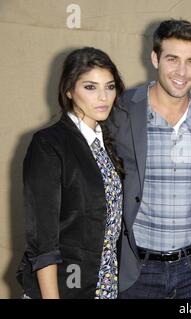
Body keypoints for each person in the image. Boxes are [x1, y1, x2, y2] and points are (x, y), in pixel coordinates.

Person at [109, 19, 191, 299]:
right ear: (155, 58)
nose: (182, 72)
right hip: (138, 269)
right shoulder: (122, 110)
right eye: (172, 59)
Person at [16, 47, 125, 298]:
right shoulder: (48, 144)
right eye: (90, 87)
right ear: (68, 91)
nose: (103, 97)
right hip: (64, 287)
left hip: (104, 284)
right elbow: (43, 240)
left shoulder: (106, 143)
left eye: (109, 87)